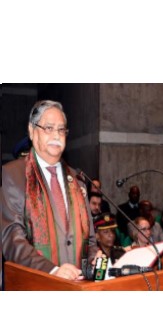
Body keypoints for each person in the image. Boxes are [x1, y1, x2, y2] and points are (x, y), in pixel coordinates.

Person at [1, 100, 96, 280]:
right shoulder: (13, 175)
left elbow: (89, 239)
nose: (56, 135)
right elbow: (12, 238)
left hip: (79, 284)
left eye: (61, 130)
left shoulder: (77, 179)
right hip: (37, 283)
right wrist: (52, 271)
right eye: (49, 128)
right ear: (32, 131)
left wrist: (94, 261)